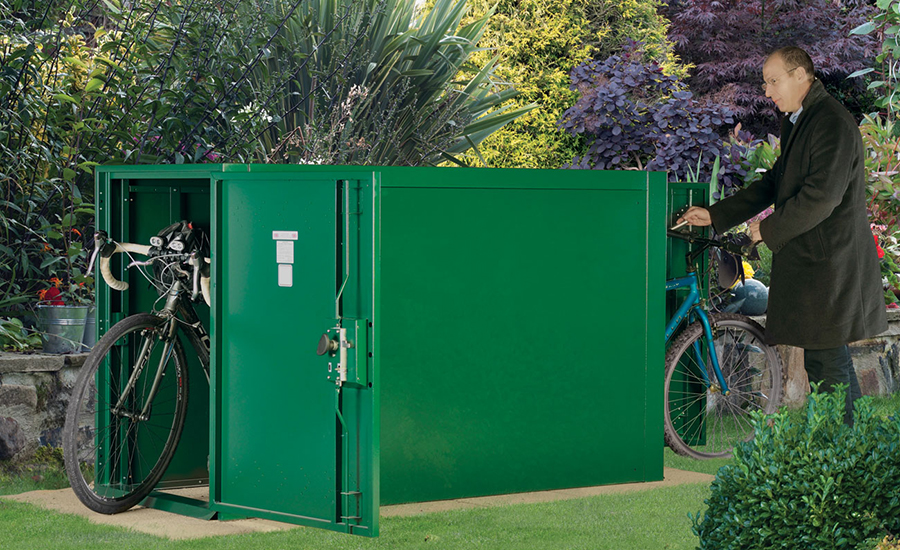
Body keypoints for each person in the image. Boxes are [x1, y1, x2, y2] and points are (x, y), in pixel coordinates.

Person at [677, 46, 887, 425]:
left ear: (800, 75)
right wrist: (715, 215)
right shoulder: (799, 120)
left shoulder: (831, 123)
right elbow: (775, 182)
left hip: (831, 265)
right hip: (817, 264)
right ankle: (850, 447)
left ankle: (842, 450)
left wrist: (767, 229)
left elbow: (821, 196)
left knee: (827, 361)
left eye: (774, 81)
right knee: (827, 359)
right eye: (765, 83)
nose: (768, 91)